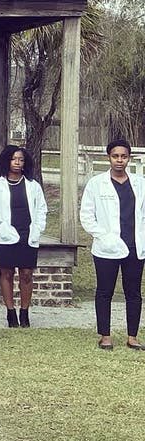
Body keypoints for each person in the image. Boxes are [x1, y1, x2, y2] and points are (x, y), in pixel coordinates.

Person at [79, 138, 145, 351]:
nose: (119, 160)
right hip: (107, 247)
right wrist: (104, 236)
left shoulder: (140, 183)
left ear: (129, 158)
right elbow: (87, 216)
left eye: (123, 156)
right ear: (109, 157)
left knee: (133, 292)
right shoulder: (96, 184)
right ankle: (105, 335)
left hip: (134, 246)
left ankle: (132, 336)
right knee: (104, 291)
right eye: (115, 156)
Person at [0, 145, 47, 328]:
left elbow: (42, 209)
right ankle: (11, 313)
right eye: (14, 159)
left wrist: (38, 228)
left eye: (21, 159)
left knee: (26, 274)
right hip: (4, 234)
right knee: (6, 272)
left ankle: (25, 312)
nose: (17, 163)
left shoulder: (32, 185)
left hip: (27, 234)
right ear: (7, 161)